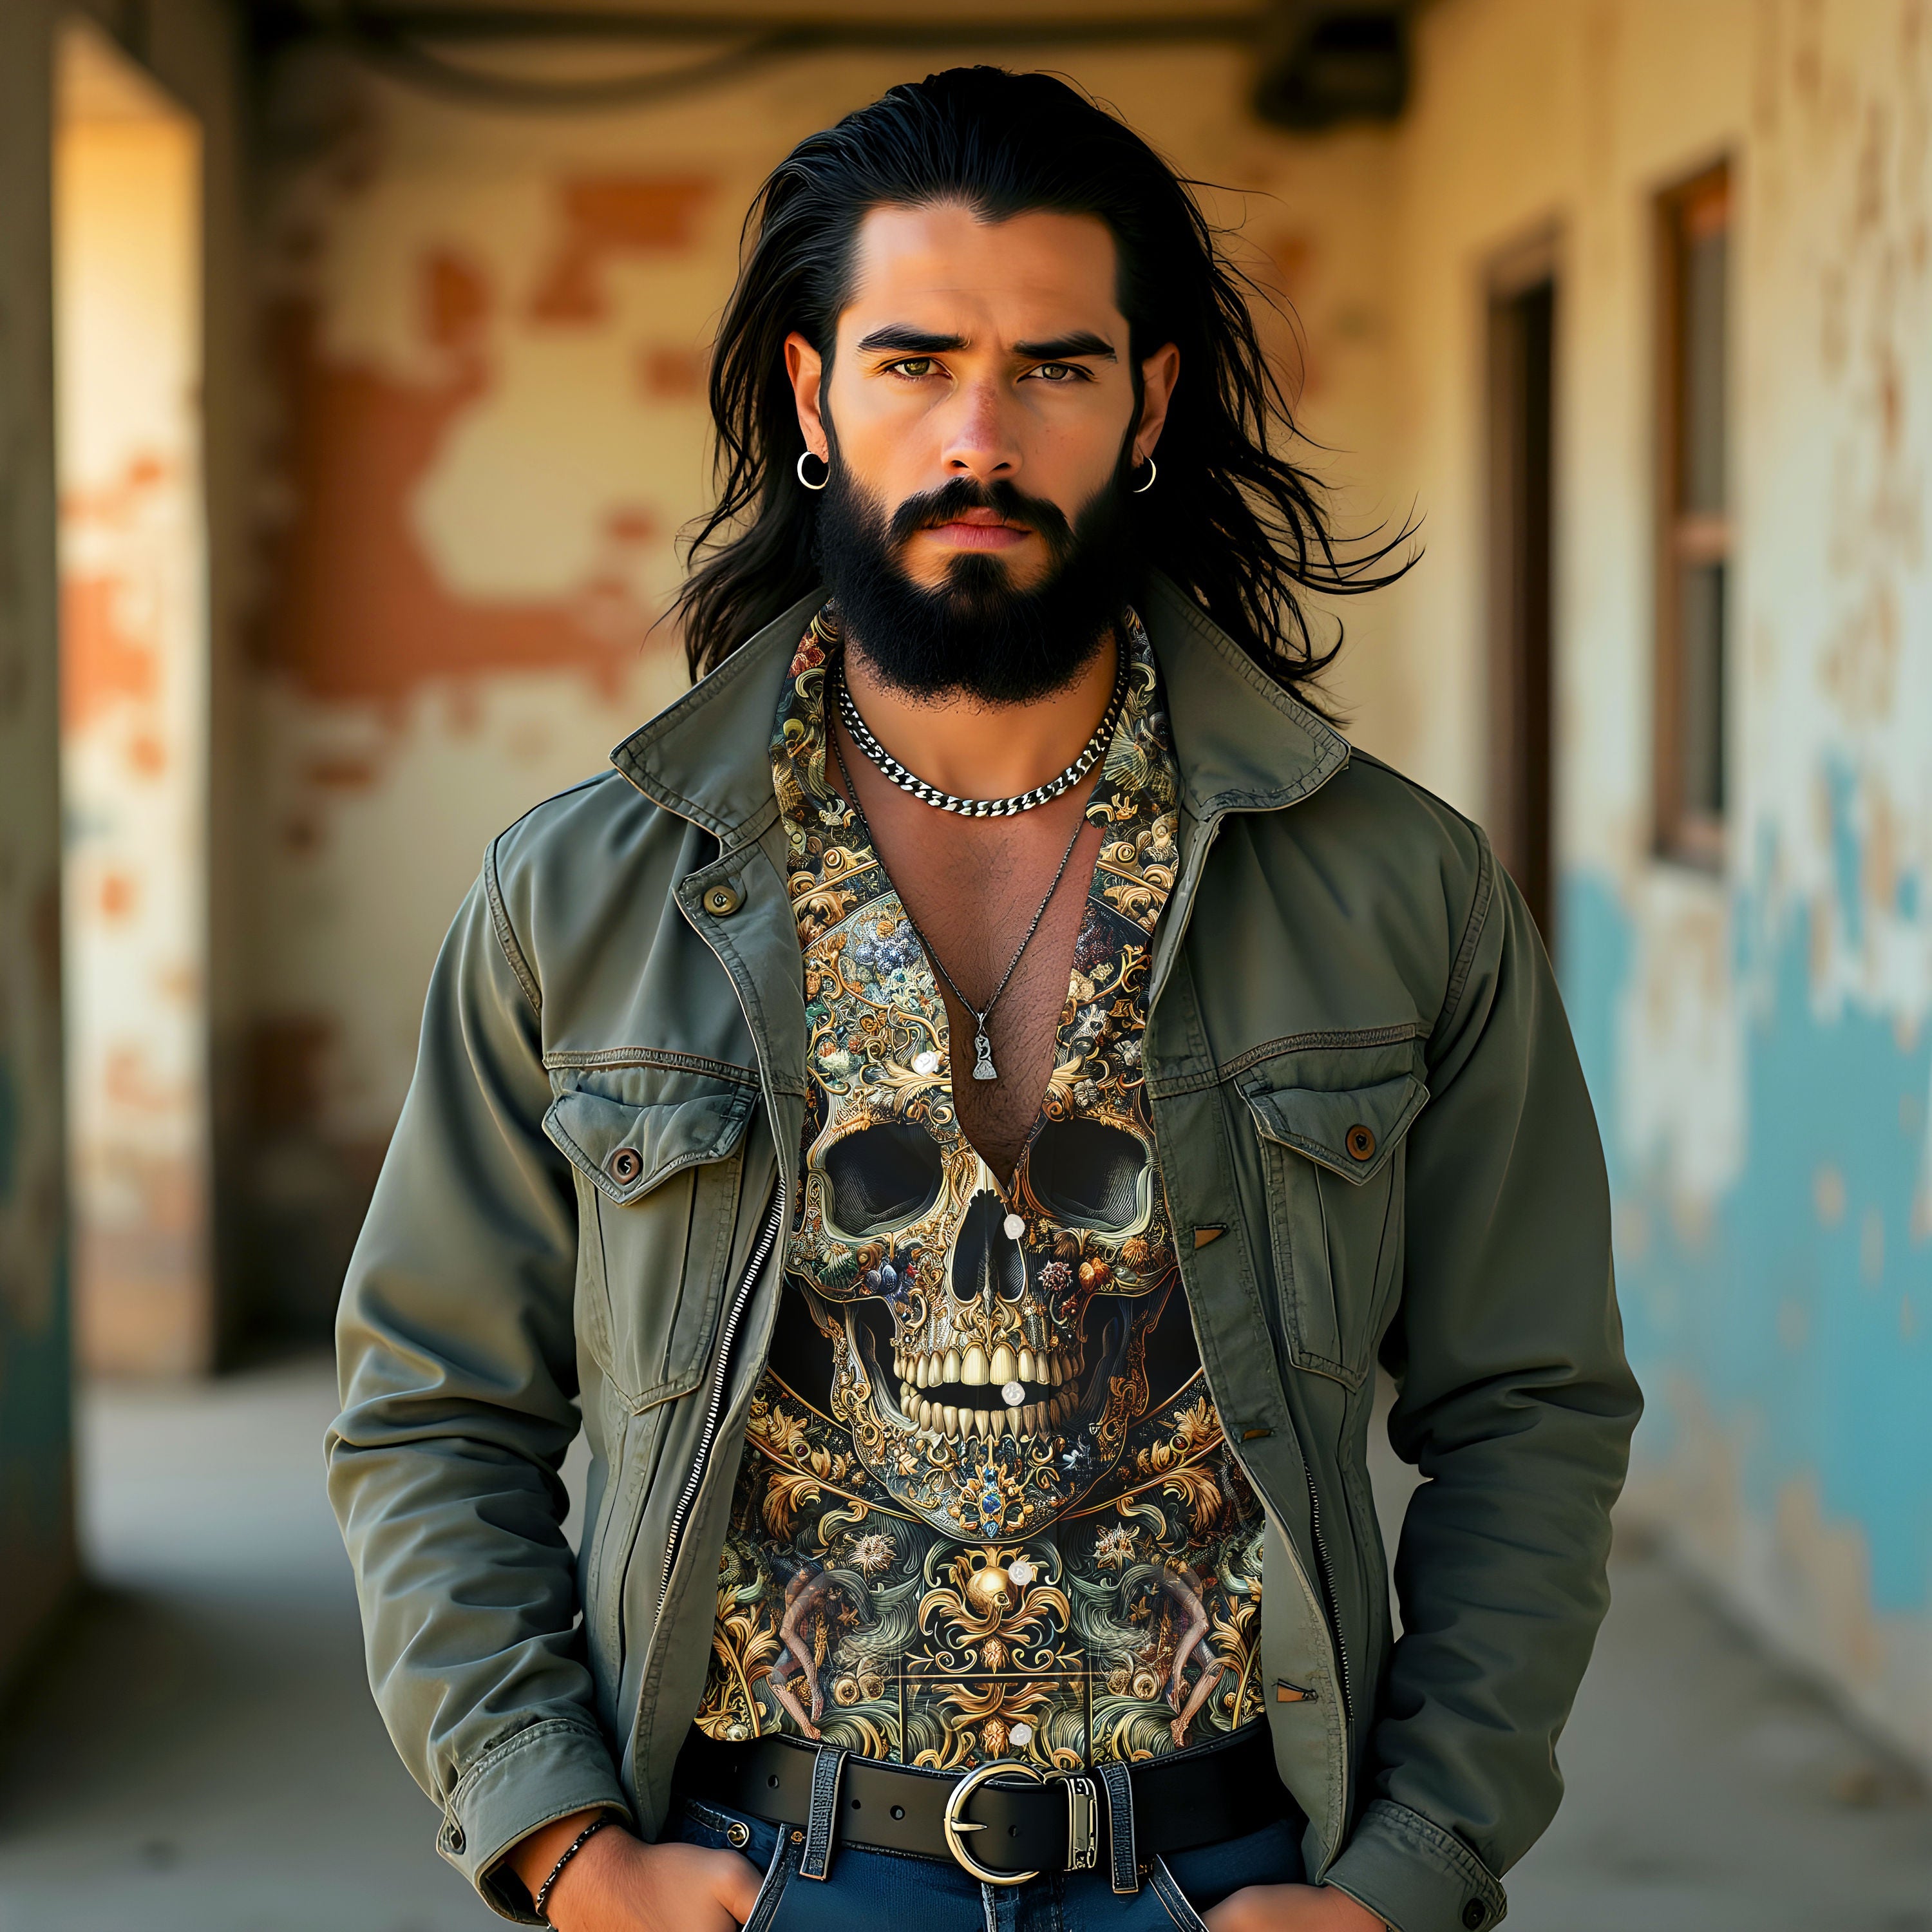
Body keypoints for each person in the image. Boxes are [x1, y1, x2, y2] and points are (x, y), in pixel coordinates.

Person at [328, 66, 1640, 1932]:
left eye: (1054, 367)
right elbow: (431, 1406)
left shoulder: (1394, 887)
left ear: (1150, 402)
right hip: (753, 1874)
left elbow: (1532, 1406)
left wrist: (1410, 1869)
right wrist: (551, 1834)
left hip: (1232, 1874)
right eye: (914, 359)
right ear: (812, 393)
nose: (980, 432)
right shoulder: (584, 893)